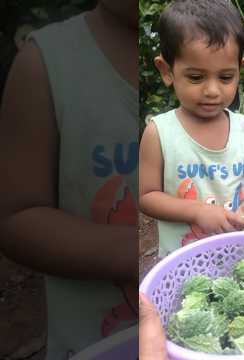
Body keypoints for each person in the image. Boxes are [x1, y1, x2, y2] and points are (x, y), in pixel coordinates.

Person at [0, 1, 139, 358]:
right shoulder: (46, 64)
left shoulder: (212, 61)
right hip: (94, 344)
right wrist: (143, 254)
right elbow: (17, 219)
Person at [139, 0, 244, 258]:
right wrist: (197, 211)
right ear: (167, 71)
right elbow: (147, 196)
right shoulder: (159, 133)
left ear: (240, 69)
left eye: (226, 77)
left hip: (239, 257)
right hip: (183, 262)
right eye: (196, 77)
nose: (212, 91)